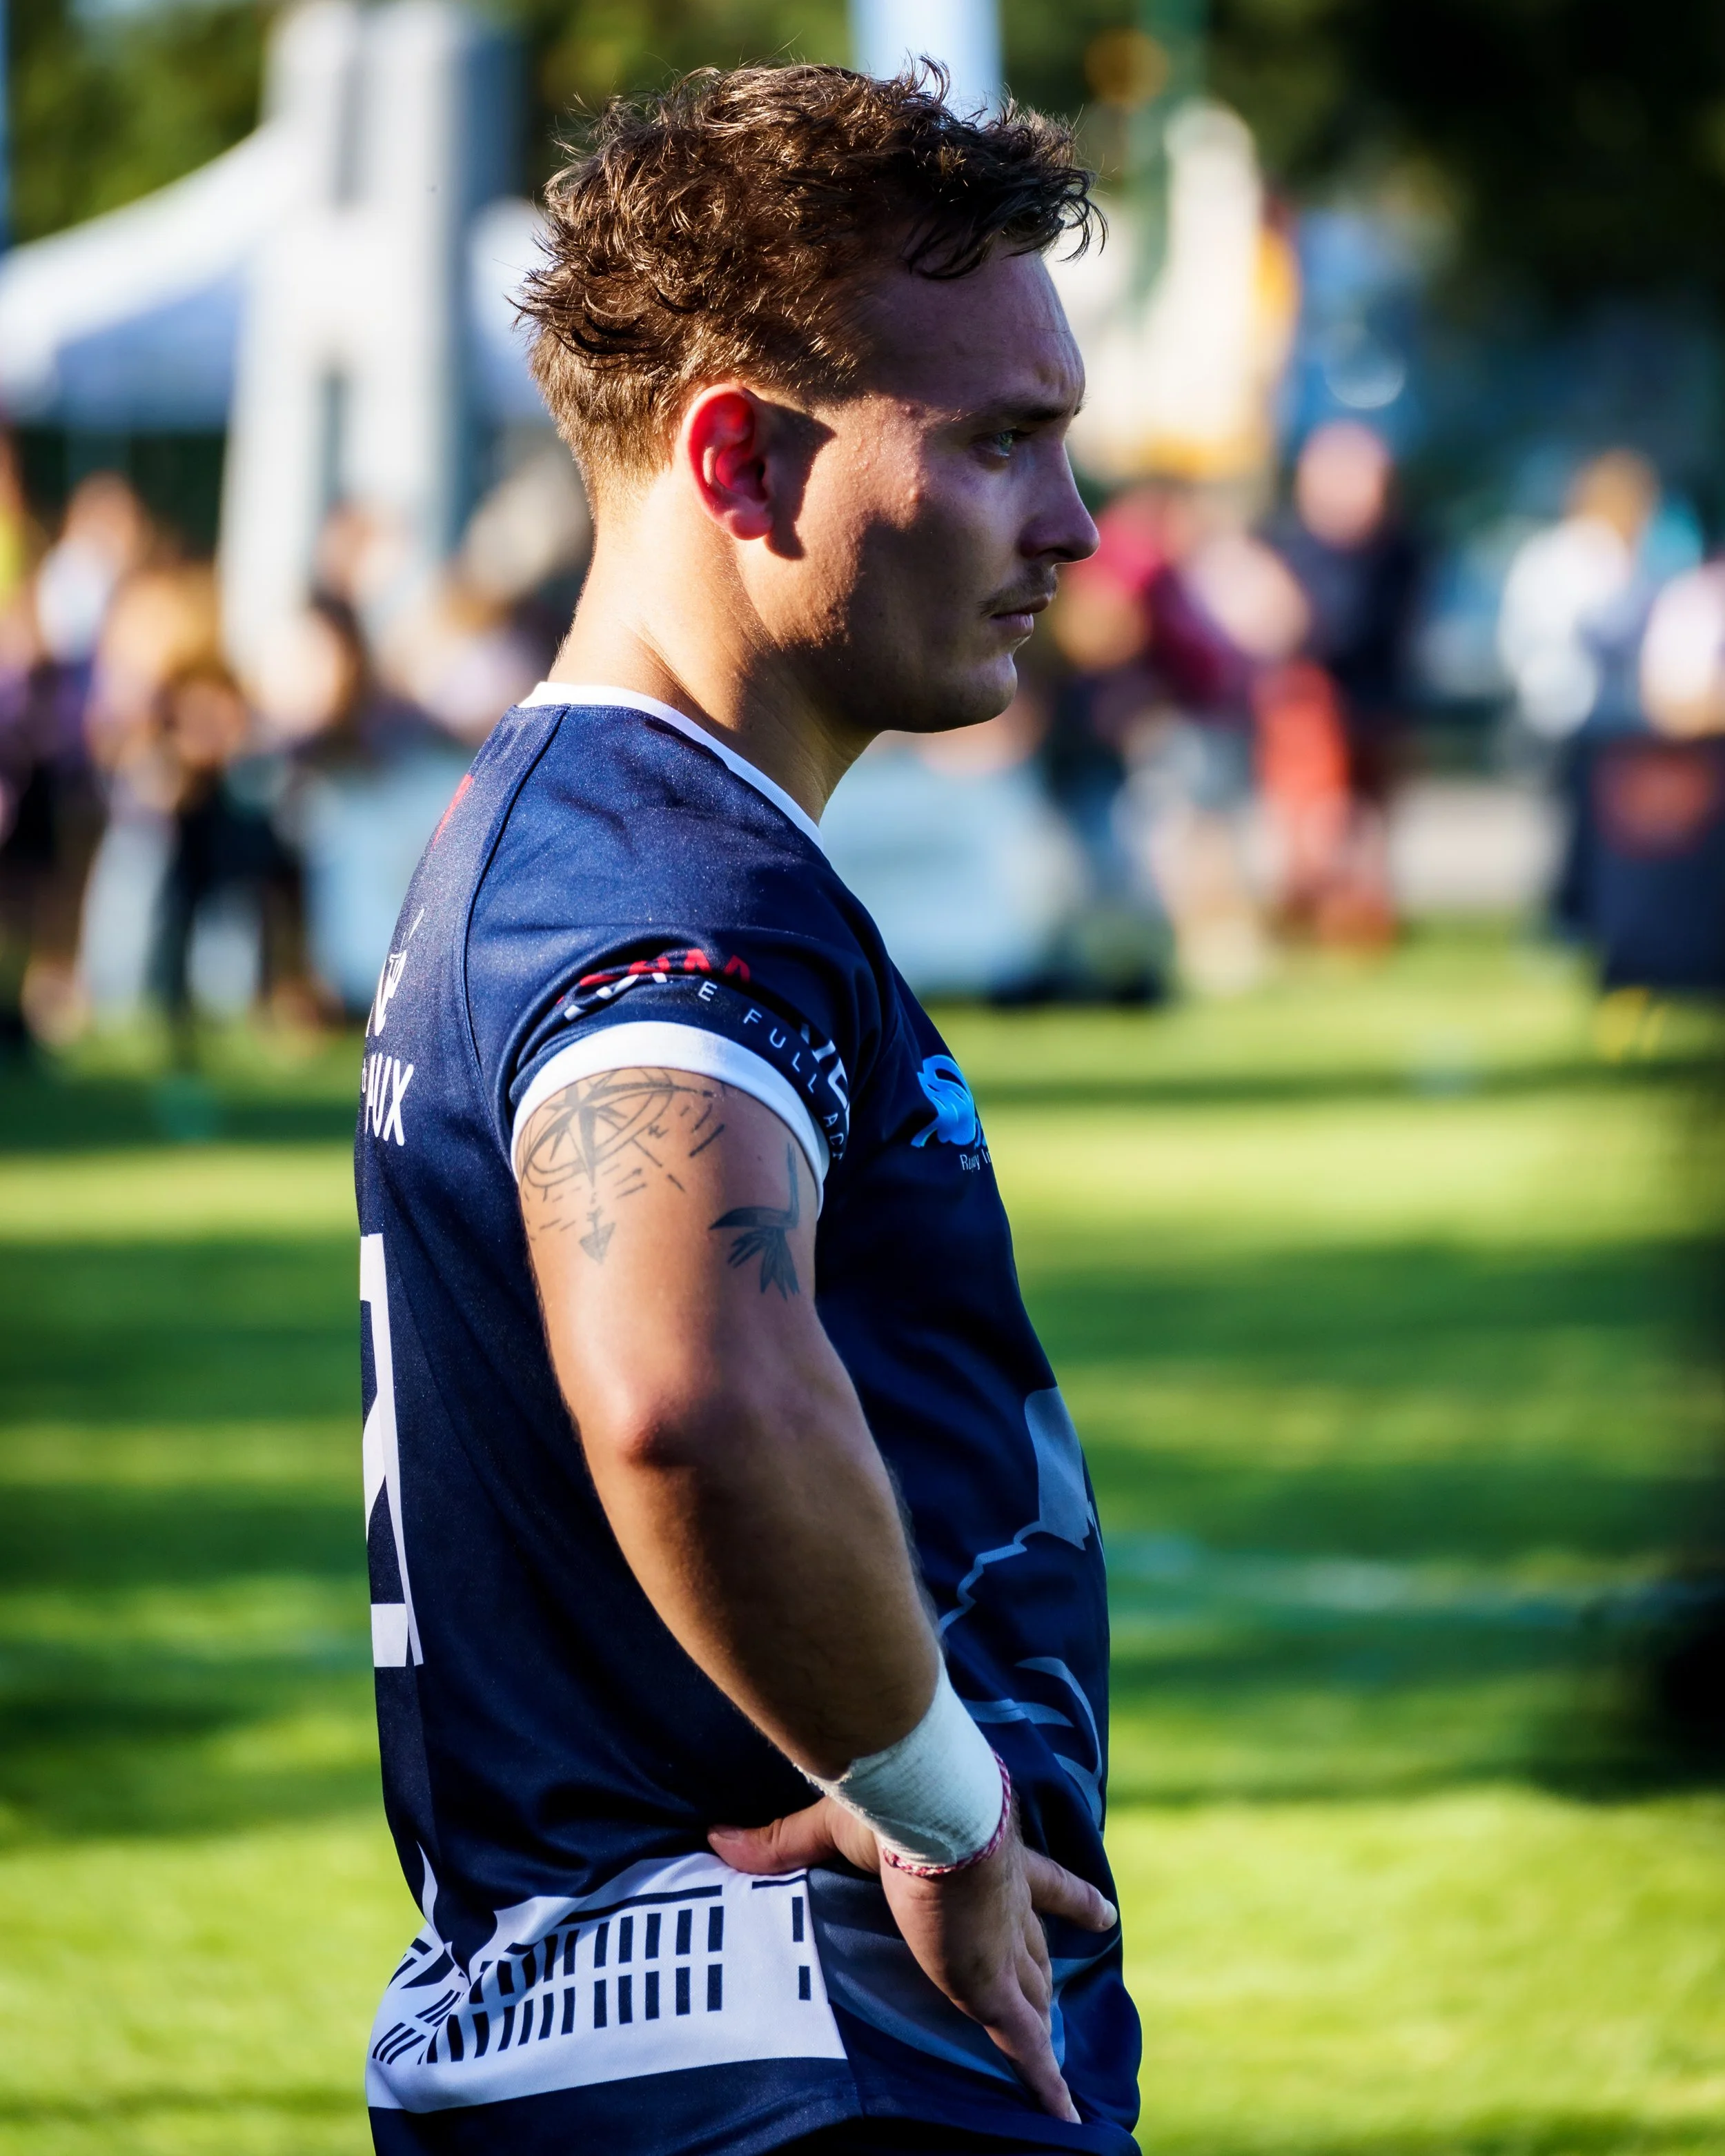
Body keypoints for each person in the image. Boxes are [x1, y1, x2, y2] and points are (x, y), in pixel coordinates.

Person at [355, 63, 1136, 2156]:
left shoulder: (593, 836)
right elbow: (689, 1388)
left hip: (680, 2042)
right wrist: (941, 1807)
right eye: (996, 442)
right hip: (791, 2063)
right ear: (738, 458)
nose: (1069, 524)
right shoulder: (661, 888)